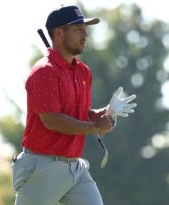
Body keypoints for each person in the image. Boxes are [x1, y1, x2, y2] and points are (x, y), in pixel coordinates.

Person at [12, 5, 136, 205]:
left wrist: (104, 113)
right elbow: (53, 120)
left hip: (75, 168)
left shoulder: (83, 72)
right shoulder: (44, 72)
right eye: (78, 29)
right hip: (42, 166)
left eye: (85, 29)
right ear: (59, 33)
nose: (85, 35)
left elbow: (78, 114)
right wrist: (95, 127)